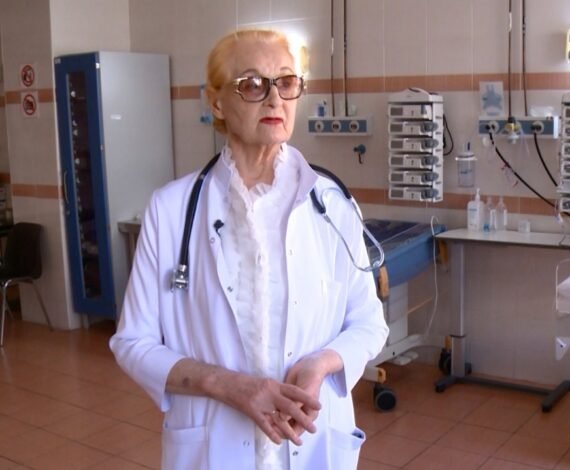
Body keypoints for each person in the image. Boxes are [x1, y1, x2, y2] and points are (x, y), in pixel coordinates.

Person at [110, 28, 389, 470]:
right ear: (217, 102)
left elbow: (369, 323)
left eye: (287, 82)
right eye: (253, 84)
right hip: (214, 445)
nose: (275, 98)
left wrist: (322, 364)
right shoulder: (171, 209)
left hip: (311, 439)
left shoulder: (333, 204)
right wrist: (227, 386)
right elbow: (132, 342)